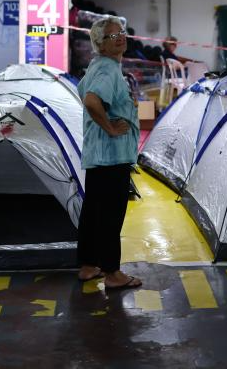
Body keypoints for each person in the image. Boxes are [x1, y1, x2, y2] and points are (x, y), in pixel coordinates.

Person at [75, 16, 142, 289]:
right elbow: (92, 101)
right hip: (112, 156)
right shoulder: (108, 70)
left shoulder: (97, 66)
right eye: (113, 36)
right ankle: (112, 273)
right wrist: (111, 128)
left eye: (122, 32)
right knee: (110, 216)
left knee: (93, 211)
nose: (121, 37)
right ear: (101, 44)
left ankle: (88, 265)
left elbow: (84, 91)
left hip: (97, 155)